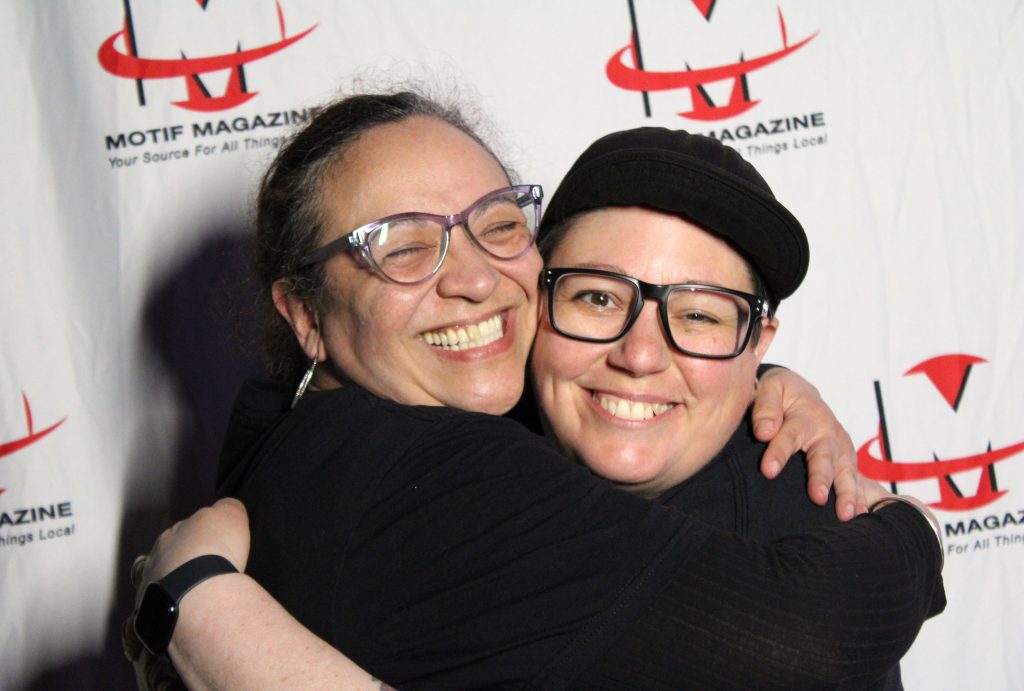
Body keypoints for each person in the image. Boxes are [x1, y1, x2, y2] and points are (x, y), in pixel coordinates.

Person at [126, 91, 944, 690]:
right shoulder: (427, 475)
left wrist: (767, 384)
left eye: (496, 226)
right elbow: (807, 634)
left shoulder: (311, 435)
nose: (477, 279)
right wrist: (914, 524)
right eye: (402, 247)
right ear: (306, 314)